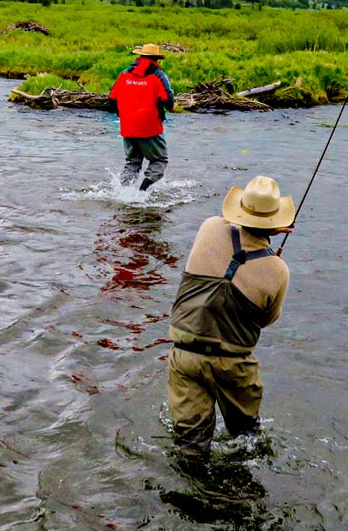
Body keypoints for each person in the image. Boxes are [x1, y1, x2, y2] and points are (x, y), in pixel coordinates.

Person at [165, 175, 294, 452]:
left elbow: (231, 231)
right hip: (234, 364)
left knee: (190, 445)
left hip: (185, 355)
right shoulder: (278, 270)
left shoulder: (209, 227)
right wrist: (270, 252)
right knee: (246, 438)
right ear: (278, 226)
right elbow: (267, 320)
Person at [107, 43, 174, 190]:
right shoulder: (158, 75)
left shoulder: (125, 73)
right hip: (150, 127)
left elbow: (111, 100)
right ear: (156, 58)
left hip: (127, 126)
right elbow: (169, 102)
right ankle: (143, 190)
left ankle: (123, 192)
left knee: (133, 162)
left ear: (140, 56)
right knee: (159, 160)